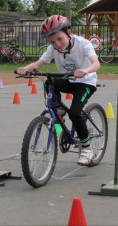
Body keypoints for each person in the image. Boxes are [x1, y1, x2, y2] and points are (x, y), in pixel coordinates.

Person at [17, 15, 100, 166]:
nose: (57, 45)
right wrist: (26, 69)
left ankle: (87, 149)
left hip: (85, 82)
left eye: (59, 39)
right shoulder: (52, 48)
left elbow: (96, 64)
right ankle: (58, 108)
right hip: (68, 80)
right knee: (50, 80)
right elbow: (39, 63)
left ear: (69, 32)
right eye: (52, 42)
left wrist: (85, 70)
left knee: (75, 113)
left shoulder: (83, 44)